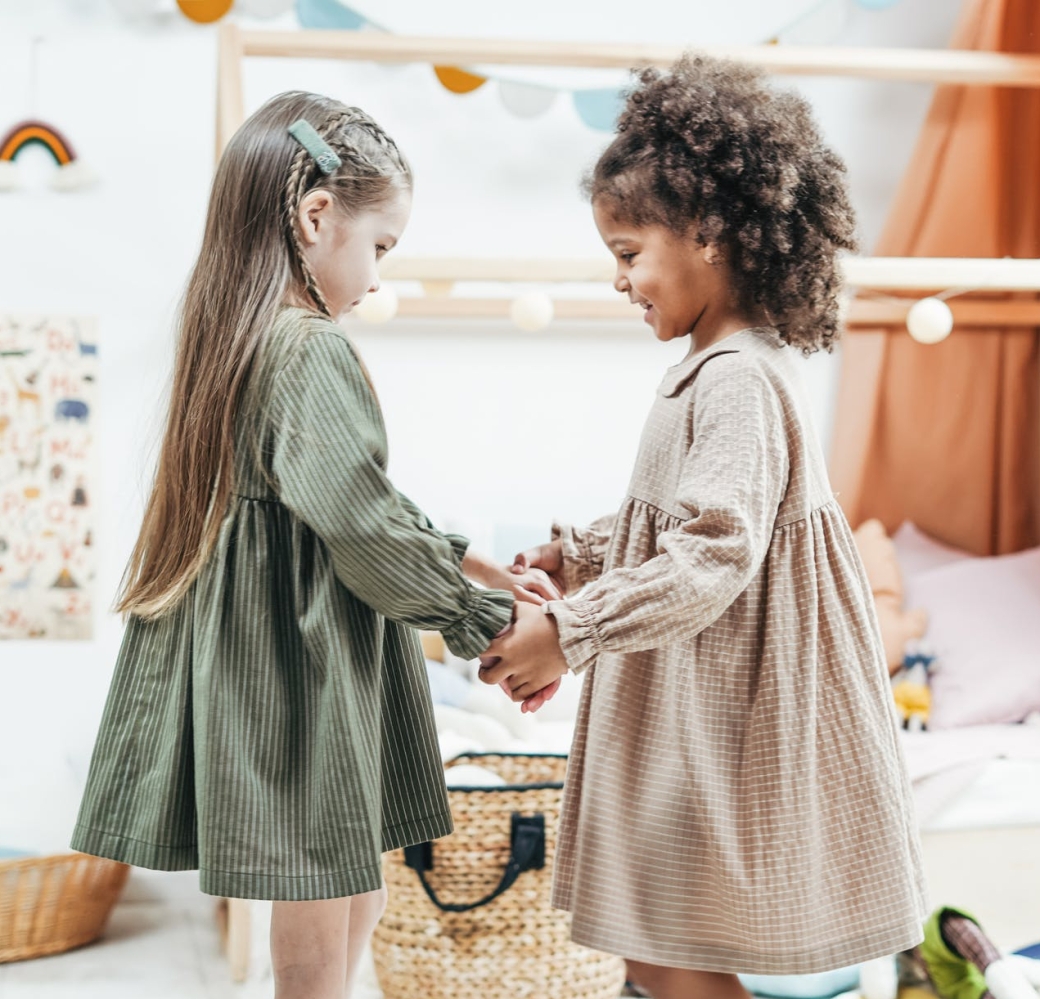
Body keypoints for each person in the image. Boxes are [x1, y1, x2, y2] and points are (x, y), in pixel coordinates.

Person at [70, 91, 548, 999]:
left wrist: (462, 556)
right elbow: (358, 523)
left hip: (266, 657)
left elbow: (339, 493)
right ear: (317, 216)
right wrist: (482, 617)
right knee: (320, 927)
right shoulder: (307, 347)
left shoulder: (236, 338)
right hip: (304, 665)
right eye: (380, 246)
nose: (377, 275)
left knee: (346, 889)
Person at [480, 55, 928, 999]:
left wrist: (571, 629)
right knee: (655, 940)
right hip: (689, 690)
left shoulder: (735, 377)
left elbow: (719, 550)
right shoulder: (718, 365)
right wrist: (583, 555)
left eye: (629, 253)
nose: (620, 281)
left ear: (711, 235)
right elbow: (682, 517)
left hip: (723, 708)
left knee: (673, 944)